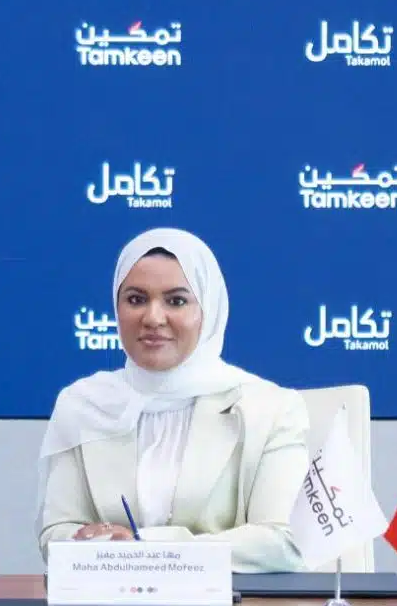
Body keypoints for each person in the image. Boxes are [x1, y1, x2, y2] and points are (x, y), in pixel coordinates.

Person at [36, 227, 312, 571]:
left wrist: (146, 547)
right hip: (109, 600)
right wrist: (95, 542)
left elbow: (283, 542)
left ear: (207, 310)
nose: (153, 318)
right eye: (136, 299)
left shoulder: (269, 409)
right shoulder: (83, 404)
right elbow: (56, 534)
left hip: (232, 603)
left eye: (176, 301)